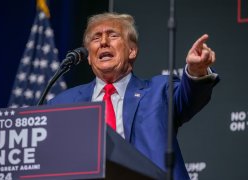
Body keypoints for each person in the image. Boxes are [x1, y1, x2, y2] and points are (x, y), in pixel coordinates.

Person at [48, 12, 219, 179]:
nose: (104, 42)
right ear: (89, 58)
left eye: (113, 35)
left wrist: (196, 71)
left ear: (132, 51)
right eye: (96, 38)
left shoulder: (160, 91)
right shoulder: (62, 104)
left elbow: (189, 96)